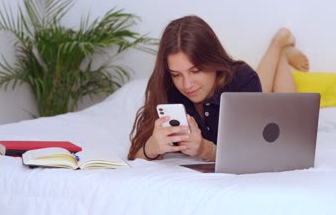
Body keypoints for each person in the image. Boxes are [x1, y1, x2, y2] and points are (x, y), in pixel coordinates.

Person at [127, 15, 309, 161]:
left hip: (242, 83)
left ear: (213, 61)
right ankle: (282, 53)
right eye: (176, 74)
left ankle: (278, 44)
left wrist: (206, 150)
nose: (187, 85)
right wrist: (152, 147)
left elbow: (257, 152)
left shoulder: (242, 79)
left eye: (195, 70)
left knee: (279, 105)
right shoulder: (166, 86)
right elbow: (135, 155)